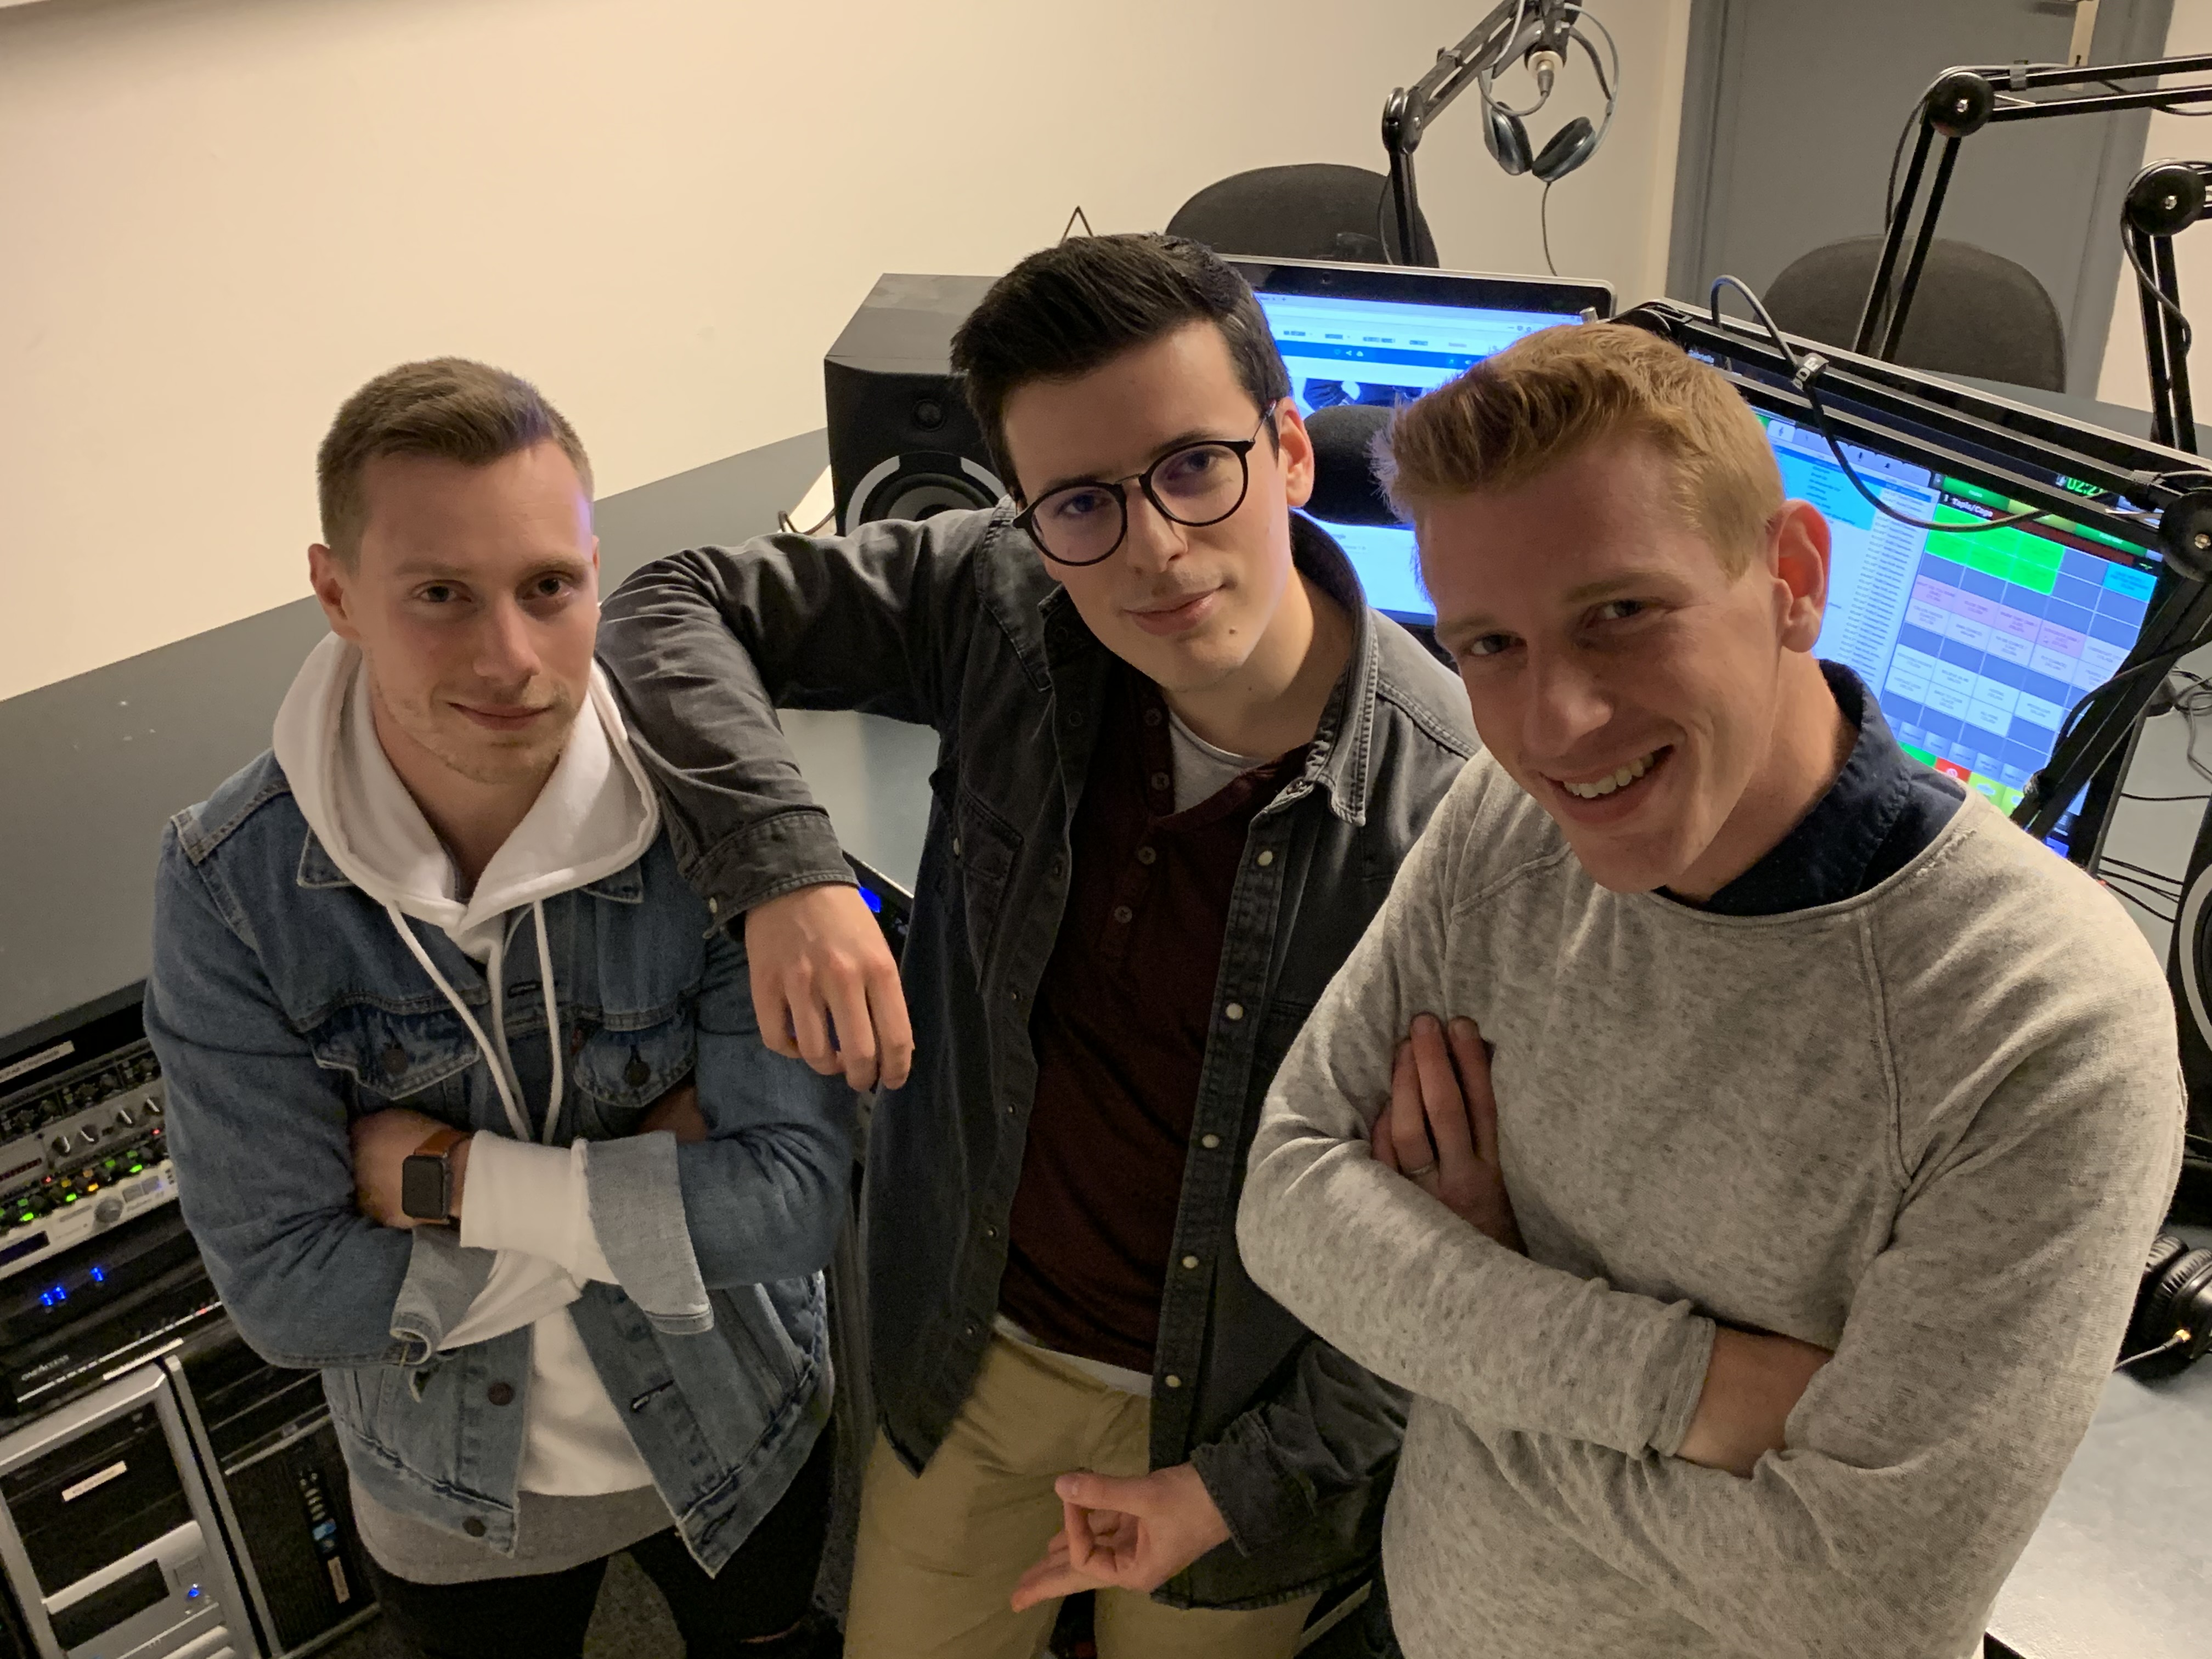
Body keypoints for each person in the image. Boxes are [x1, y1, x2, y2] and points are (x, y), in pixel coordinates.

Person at [1237, 322, 2187, 1659]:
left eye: (1619, 614)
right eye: (1490, 645)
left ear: (1794, 579)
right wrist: (1699, 1388)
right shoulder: (1506, 822)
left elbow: (1863, 1608)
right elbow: (1286, 1198)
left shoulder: (2042, 1024)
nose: (1556, 725)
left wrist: (1461, 1313)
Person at [595, 233, 1476, 1658]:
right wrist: (786, 875)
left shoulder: (1456, 818)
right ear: (1029, 515)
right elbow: (664, 605)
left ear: (1290, 452)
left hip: (1235, 1425)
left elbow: (1452, 1266)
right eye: (1082, 503)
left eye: (1195, 467)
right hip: (976, 1355)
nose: (1153, 548)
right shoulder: (1004, 601)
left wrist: (1245, 1486)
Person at [145, 359, 854, 1659]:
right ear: (336, 594)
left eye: (548, 588)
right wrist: (662, 1193)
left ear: (596, 571)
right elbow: (289, 1296)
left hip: (741, 1429)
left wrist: (448, 1180)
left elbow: (794, 1204)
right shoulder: (231, 885)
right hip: (447, 1491)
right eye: (440, 596)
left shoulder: (711, 813)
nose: (511, 659)